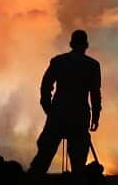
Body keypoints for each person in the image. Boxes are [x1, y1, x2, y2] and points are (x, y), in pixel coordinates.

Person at [28, 29, 102, 174]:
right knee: (78, 162)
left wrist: (48, 108)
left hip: (58, 114)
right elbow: (95, 93)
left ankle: (31, 184)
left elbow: (46, 85)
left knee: (43, 156)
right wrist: (95, 116)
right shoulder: (92, 65)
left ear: (71, 43)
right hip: (79, 116)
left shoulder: (59, 61)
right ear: (85, 45)